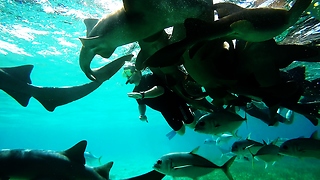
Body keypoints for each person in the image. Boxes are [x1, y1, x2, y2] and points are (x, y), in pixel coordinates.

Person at [124, 64, 195, 138]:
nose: (127, 76)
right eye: (124, 74)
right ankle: (186, 117)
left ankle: (192, 111)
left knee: (192, 125)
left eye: (128, 72)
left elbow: (160, 90)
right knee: (181, 132)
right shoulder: (136, 91)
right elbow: (141, 104)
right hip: (165, 111)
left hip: (175, 103)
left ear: (137, 71)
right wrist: (142, 114)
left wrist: (143, 95)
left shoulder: (149, 78)